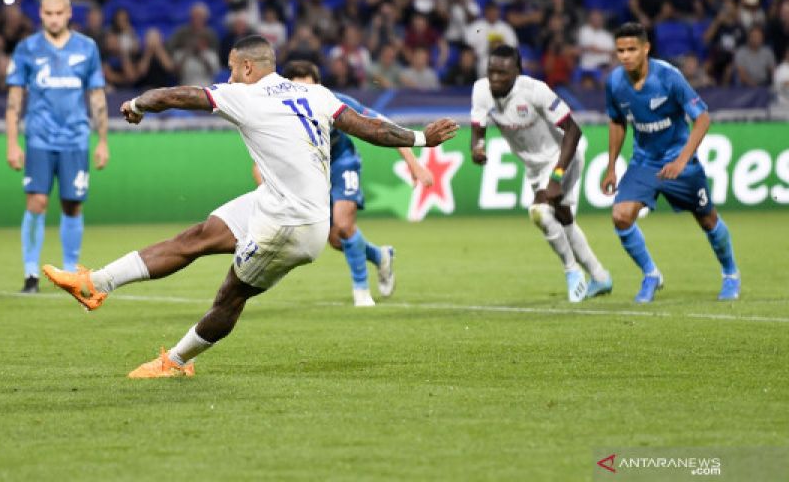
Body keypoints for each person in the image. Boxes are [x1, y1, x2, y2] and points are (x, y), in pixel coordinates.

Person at [44, 36, 460, 377]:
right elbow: (369, 128)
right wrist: (422, 139)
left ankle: (175, 361)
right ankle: (95, 284)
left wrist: (137, 104)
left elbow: (179, 95)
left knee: (230, 295)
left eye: (231, 67)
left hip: (292, 224)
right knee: (196, 237)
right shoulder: (314, 93)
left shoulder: (244, 96)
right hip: (273, 199)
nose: (228, 76)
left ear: (247, 68)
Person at [601, 23, 740, 303]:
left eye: (631, 49)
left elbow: (702, 119)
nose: (625, 56)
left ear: (645, 49)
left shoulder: (668, 77)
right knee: (621, 215)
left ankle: (730, 274)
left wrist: (682, 160)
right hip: (644, 162)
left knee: (707, 218)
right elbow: (617, 121)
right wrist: (612, 165)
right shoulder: (615, 82)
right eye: (620, 51)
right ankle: (651, 274)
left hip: (679, 161)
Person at [279, 60, 433, 306]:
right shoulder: (277, 113)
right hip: (312, 172)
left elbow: (383, 126)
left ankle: (361, 291)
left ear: (319, 87)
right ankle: (380, 256)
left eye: (310, 88)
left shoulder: (334, 101)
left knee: (343, 222)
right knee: (335, 239)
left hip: (342, 162)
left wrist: (413, 164)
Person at [470, 45, 612, 302]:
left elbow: (573, 131)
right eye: (491, 72)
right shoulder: (481, 91)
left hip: (562, 157)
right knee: (564, 219)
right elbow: (477, 132)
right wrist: (477, 149)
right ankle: (600, 276)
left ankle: (572, 272)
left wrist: (557, 177)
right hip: (534, 166)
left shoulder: (535, 91)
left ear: (517, 72)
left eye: (502, 73)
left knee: (540, 212)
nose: (494, 78)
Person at [6, 0, 109, 294]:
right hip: (39, 137)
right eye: (48, 13)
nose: (53, 18)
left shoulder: (87, 48)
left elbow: (97, 96)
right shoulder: (27, 49)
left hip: (76, 138)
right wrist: (12, 143)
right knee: (36, 202)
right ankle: (30, 275)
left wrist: (103, 141)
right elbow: (14, 99)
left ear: (68, 14)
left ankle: (68, 273)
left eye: (58, 13)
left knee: (72, 205)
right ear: (41, 14)